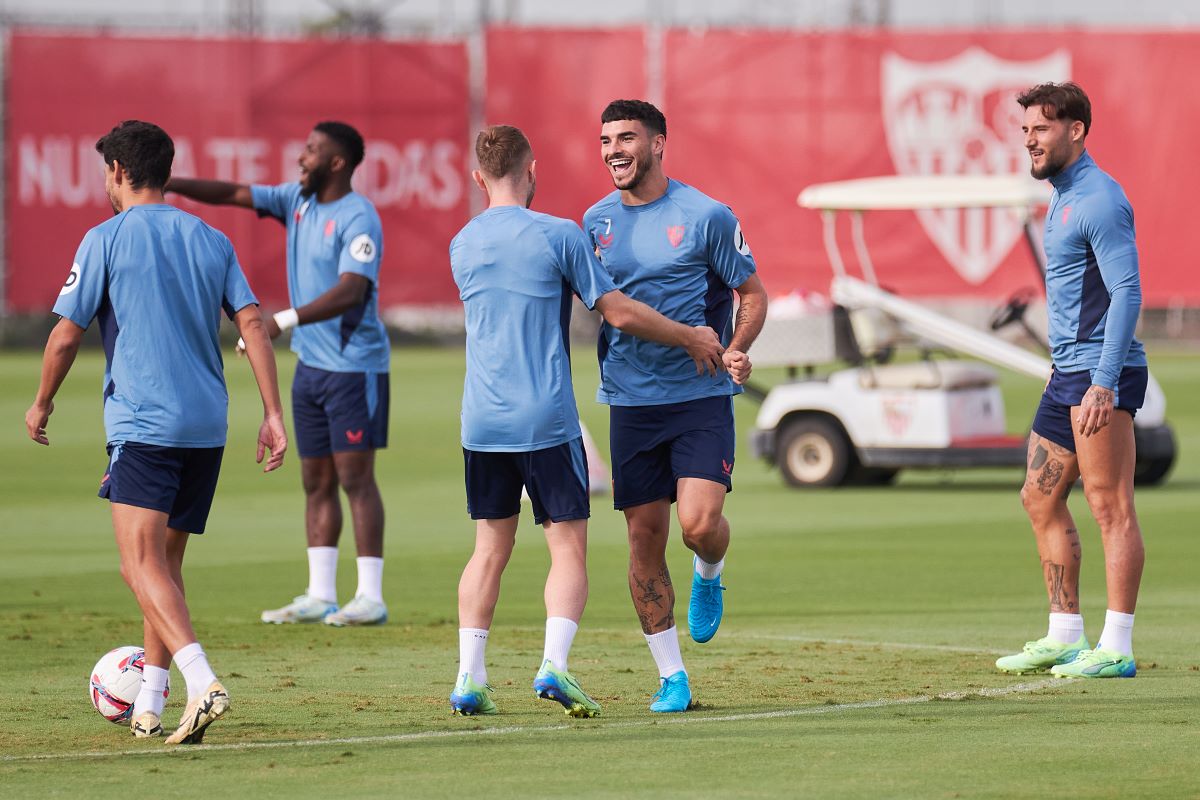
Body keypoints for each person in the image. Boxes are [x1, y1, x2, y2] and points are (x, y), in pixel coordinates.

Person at [446, 125, 726, 717]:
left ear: (477, 178)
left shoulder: (462, 242)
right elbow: (618, 312)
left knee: (488, 549)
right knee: (567, 549)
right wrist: (689, 336)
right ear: (533, 172)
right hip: (546, 419)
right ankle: (555, 665)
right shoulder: (559, 235)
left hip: (481, 422)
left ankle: (469, 677)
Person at [25, 120, 288, 743]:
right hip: (206, 425)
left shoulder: (105, 238)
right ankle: (151, 700)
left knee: (137, 565)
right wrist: (274, 415)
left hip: (145, 423)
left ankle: (202, 681)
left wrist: (41, 402)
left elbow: (66, 333)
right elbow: (252, 325)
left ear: (117, 170)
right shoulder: (211, 238)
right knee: (163, 566)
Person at [582, 100, 768, 712]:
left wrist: (737, 349)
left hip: (701, 397)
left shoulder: (706, 215)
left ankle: (710, 573)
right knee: (644, 540)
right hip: (631, 403)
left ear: (659, 143)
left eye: (627, 137)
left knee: (698, 526)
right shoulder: (594, 222)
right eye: (606, 138)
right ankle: (672, 677)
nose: (613, 149)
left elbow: (752, 294)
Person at [169, 122, 391, 626]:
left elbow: (351, 291)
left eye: (312, 151)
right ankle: (319, 593)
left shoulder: (360, 217)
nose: (301, 157)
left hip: (355, 367)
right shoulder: (296, 200)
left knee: (356, 478)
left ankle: (371, 597)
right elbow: (232, 193)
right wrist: (172, 184)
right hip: (311, 368)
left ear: (337, 163)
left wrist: (280, 321)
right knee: (316, 479)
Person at [996, 82, 1147, 679]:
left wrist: (1103, 383)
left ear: (1076, 130)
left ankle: (1117, 646)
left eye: (1041, 129)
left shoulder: (1099, 199)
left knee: (1110, 506)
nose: (1029, 141)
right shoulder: (1061, 194)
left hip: (1099, 374)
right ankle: (1065, 633)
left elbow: (1127, 292)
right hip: (1067, 374)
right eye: (1025, 130)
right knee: (1038, 495)